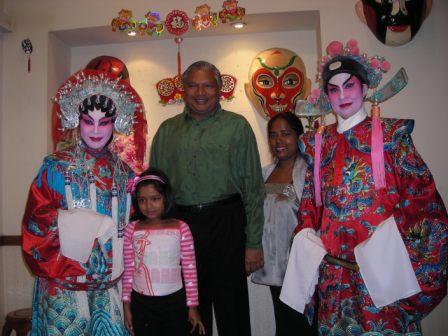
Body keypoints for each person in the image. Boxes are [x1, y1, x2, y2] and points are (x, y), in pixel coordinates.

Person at [280, 40, 448, 335]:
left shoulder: (392, 137)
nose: (342, 95)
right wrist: (307, 235)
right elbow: (310, 205)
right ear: (326, 96)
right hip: (333, 277)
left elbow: (424, 204)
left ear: (365, 88)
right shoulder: (319, 143)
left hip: (382, 274)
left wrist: (382, 244)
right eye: (334, 89)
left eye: (350, 85)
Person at [22, 69, 146, 335]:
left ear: (117, 123)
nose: (97, 130)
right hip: (63, 286)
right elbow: (36, 219)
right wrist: (86, 226)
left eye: (105, 122)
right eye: (89, 121)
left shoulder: (125, 172)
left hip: (108, 288)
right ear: (76, 122)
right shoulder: (56, 166)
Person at [150, 60, 265, 336]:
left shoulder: (238, 127)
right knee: (190, 308)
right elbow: (154, 191)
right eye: (192, 85)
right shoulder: (167, 131)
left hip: (227, 222)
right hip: (182, 225)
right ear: (183, 90)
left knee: (232, 308)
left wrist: (253, 242)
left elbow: (253, 187)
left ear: (219, 88)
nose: (200, 92)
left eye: (208, 85)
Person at [251, 112, 316, 336]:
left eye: (286, 134)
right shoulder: (264, 174)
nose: (279, 141)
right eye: (273, 135)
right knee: (284, 325)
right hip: (273, 267)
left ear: (299, 136)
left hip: (301, 269)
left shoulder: (309, 173)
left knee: (303, 327)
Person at [122, 167, 205, 336]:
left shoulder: (181, 228)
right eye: (142, 200)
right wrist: (126, 306)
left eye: (155, 199)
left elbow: (190, 271)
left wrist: (192, 307)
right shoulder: (132, 229)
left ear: (166, 198)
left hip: (174, 304)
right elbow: (128, 271)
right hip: (141, 305)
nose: (148, 206)